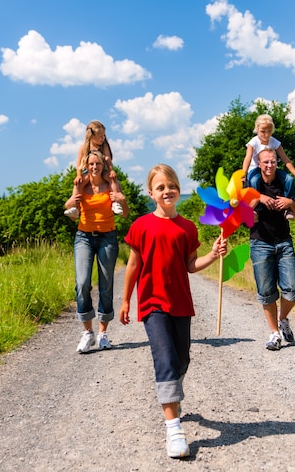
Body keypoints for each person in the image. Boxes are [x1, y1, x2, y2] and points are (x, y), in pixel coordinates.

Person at [119, 164, 227, 459]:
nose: (167, 191)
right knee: (165, 359)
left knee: (181, 359)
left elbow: (191, 266)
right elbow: (132, 265)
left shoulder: (188, 227)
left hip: (180, 302)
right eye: (161, 187)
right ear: (151, 193)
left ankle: (173, 393)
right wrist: (127, 299)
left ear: (178, 189)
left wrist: (213, 254)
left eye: (172, 186)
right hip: (152, 304)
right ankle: (174, 428)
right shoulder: (141, 225)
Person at [65, 150, 129, 353]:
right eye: (91, 164)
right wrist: (74, 198)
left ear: (103, 165)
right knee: (82, 283)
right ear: (86, 165)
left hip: (107, 238)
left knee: (106, 285)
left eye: (97, 164)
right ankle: (87, 333)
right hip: (84, 237)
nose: (94, 167)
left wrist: (122, 199)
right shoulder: (81, 184)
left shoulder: (110, 183)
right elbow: (69, 208)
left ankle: (103, 334)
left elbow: (124, 213)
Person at [247, 148, 295, 351]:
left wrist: (290, 203)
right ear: (259, 165)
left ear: (276, 163)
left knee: (293, 289)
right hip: (260, 243)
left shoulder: (285, 183)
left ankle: (283, 318)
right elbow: (244, 216)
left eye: (273, 162)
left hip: (283, 242)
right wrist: (259, 198)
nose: (269, 165)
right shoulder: (252, 185)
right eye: (266, 162)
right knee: (267, 292)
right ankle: (274, 334)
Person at [242, 114, 295, 220]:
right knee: (254, 181)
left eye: (269, 131)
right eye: (263, 131)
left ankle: (288, 209)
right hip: (255, 169)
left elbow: (285, 159)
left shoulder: (274, 142)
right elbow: (247, 158)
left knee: (289, 180)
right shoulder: (254, 142)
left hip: (272, 168)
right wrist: (243, 173)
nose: (266, 135)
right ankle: (255, 210)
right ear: (257, 129)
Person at [64, 120, 123, 220]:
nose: (103, 138)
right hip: (88, 172)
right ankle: (75, 207)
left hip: (103, 170)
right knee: (78, 183)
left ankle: (115, 203)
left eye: (104, 136)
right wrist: (78, 175)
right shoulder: (83, 147)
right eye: (100, 136)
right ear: (92, 136)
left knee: (112, 179)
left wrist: (111, 170)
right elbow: (79, 164)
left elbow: (108, 159)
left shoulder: (103, 146)